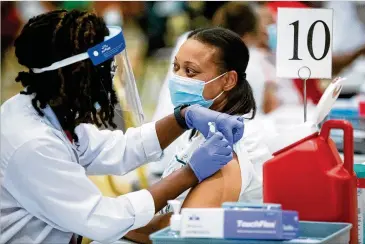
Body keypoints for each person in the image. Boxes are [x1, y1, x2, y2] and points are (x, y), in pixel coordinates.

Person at [0, 10, 245, 244]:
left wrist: (183, 118)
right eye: (108, 71)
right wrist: (189, 174)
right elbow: (102, 219)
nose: (111, 82)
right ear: (78, 74)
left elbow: (119, 149)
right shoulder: (32, 143)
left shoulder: (47, 110)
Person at [125, 27, 273, 244]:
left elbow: (187, 229)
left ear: (228, 80)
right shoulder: (199, 130)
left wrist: (118, 221)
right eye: (175, 67)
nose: (178, 78)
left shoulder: (229, 145)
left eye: (190, 71)